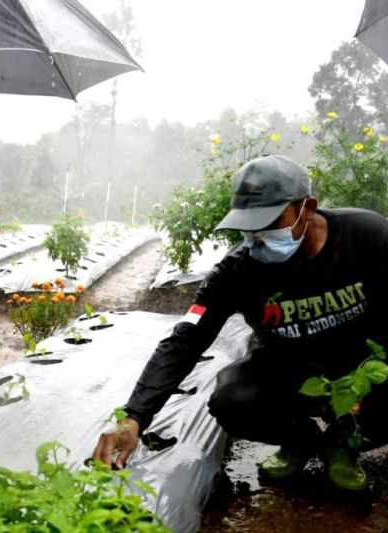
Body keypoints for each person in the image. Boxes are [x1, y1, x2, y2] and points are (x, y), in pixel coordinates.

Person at [93, 154, 388, 492]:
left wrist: (364, 385)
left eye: (270, 221)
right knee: (232, 399)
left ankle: (343, 442)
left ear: (307, 207)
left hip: (364, 368)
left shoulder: (368, 237)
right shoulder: (239, 270)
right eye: (248, 226)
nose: (257, 236)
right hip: (290, 372)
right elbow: (185, 341)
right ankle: (300, 440)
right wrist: (134, 417)